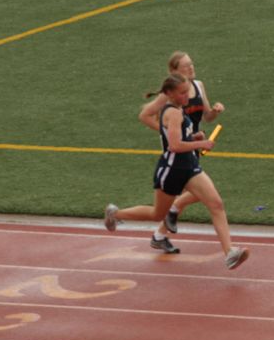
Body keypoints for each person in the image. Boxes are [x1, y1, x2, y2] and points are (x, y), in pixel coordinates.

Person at [104, 74, 248, 270]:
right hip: (171, 170)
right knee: (157, 214)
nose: (186, 96)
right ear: (170, 94)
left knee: (216, 204)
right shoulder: (173, 113)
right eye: (182, 93)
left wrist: (194, 135)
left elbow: (181, 137)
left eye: (187, 91)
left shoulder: (180, 109)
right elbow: (174, 146)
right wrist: (202, 143)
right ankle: (115, 213)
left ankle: (230, 252)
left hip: (189, 167)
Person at [139, 51, 224, 234]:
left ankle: (161, 234)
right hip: (178, 150)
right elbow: (145, 115)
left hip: (193, 146)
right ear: (174, 71)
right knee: (201, 194)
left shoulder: (199, 86)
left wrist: (215, 111)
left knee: (197, 193)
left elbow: (207, 116)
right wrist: (167, 132)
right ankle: (166, 217)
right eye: (186, 66)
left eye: (191, 64)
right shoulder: (170, 95)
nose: (191, 68)